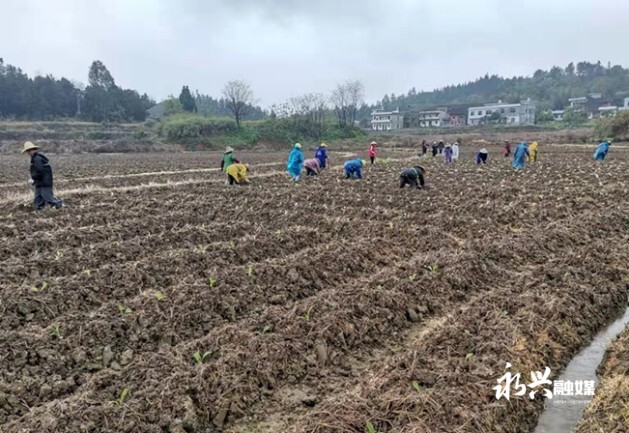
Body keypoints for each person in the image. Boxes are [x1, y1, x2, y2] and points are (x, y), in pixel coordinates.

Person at [22, 141, 63, 210]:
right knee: (38, 199)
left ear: (33, 150)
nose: (28, 153)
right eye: (27, 151)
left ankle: (60, 206)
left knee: (48, 198)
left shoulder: (37, 159)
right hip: (40, 182)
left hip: (44, 182)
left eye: (29, 151)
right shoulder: (36, 158)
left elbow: (40, 171)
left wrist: (33, 178)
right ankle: (39, 211)